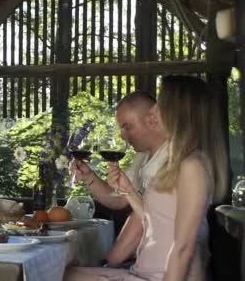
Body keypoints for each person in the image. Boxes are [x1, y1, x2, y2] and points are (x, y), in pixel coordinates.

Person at [65, 75, 228, 281]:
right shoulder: (174, 162)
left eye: (159, 105)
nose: (152, 112)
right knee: (62, 272)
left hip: (160, 276)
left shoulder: (192, 166)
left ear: (177, 113)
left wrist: (113, 260)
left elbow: (183, 248)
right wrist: (129, 191)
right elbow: (154, 220)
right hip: (144, 271)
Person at [70, 91, 168, 267]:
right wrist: (89, 177)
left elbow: (144, 219)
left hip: (166, 262)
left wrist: (109, 263)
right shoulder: (144, 157)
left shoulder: (173, 160)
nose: (122, 135)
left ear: (152, 119)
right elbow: (118, 200)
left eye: (127, 126)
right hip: (143, 258)